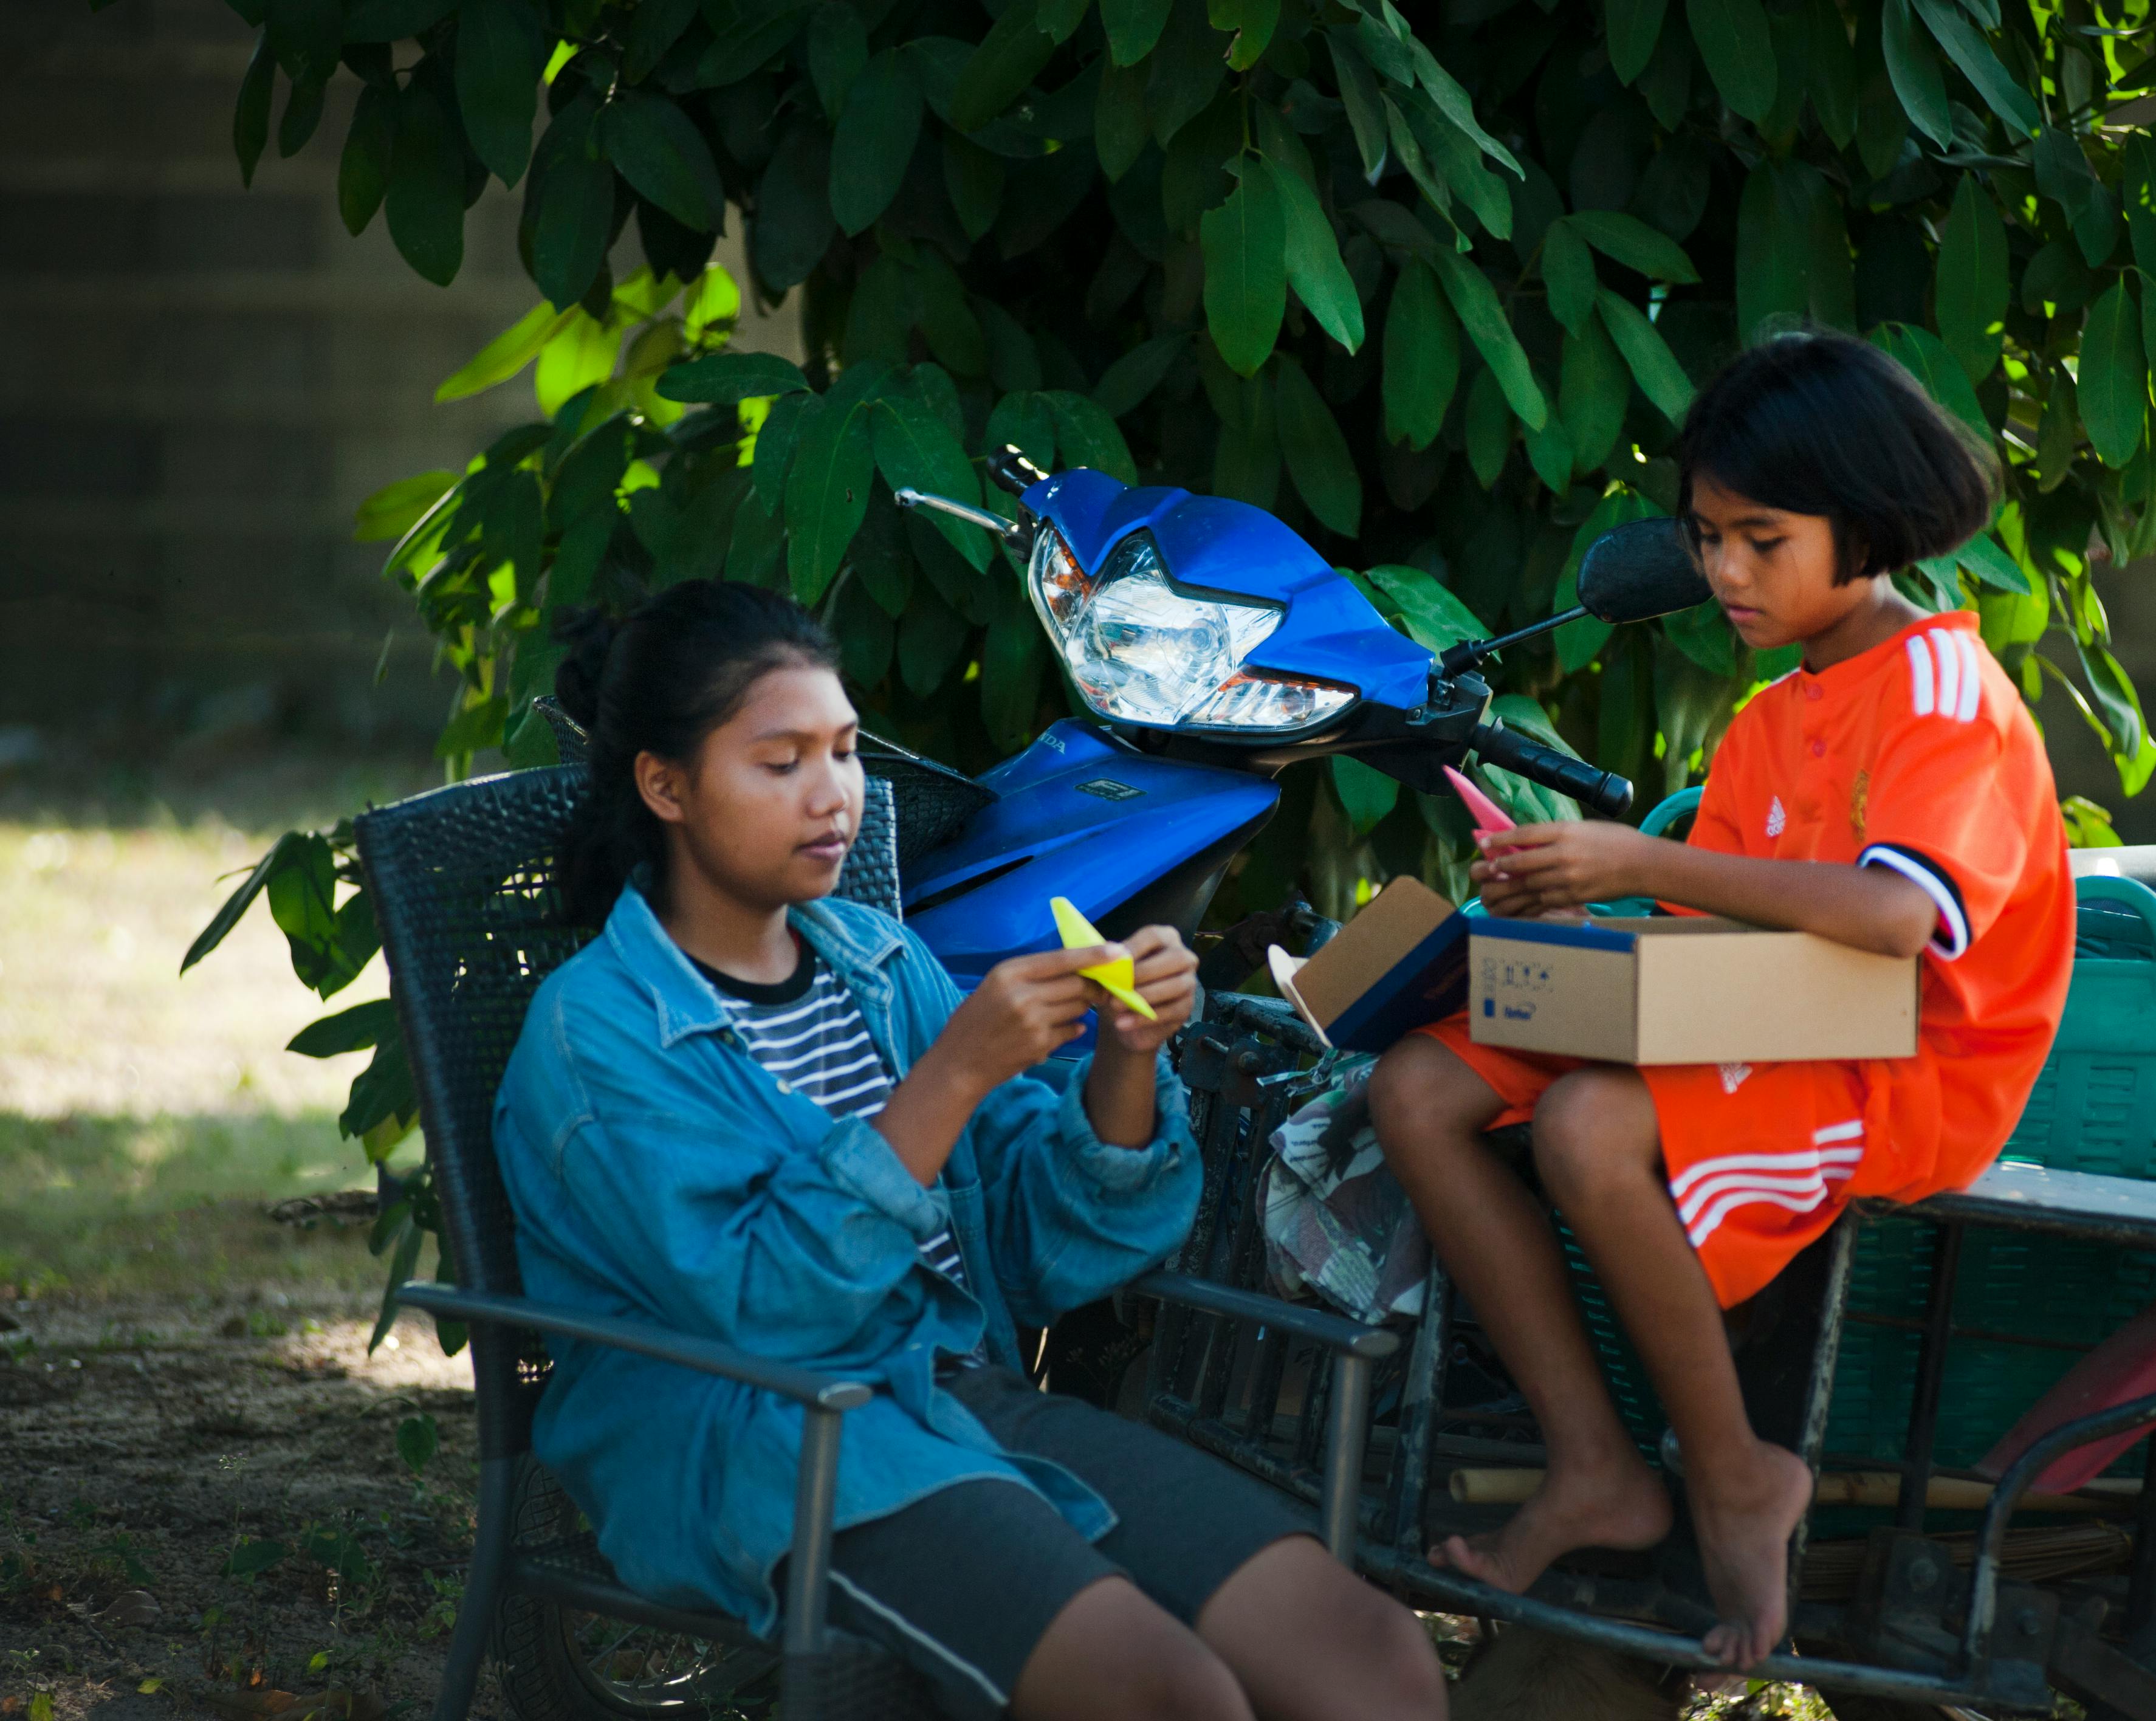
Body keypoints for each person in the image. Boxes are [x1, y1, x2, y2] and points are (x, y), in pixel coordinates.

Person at [492, 581, 1445, 1721]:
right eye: (781, 761)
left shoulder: (873, 964)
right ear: (666, 785)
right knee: (1169, 1696)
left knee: (1369, 1657)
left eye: (845, 753)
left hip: (961, 1396)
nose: (834, 796)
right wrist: (952, 1076)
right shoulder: (597, 1036)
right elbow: (759, 1311)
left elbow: (1049, 1248)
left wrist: (1126, 1057)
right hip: (762, 1440)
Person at [1368, 331, 2076, 1671]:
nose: (1724, 574)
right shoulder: (1767, 720)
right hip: (1776, 1021)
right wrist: (1573, 920)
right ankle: (1592, 1465)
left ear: (1865, 524)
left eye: (1761, 537)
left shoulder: (1943, 691)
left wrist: (1634, 860)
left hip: (1904, 1065)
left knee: (1586, 1125)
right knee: (1417, 1086)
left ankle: (1736, 1474)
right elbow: (1712, 954)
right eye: (1704, 538)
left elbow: (1895, 919)